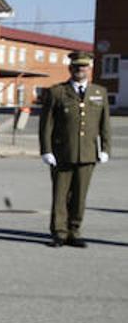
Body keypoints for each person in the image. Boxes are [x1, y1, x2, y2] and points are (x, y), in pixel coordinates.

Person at [39, 51, 112, 247]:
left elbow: (105, 124)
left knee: (80, 196)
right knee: (60, 195)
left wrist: (105, 148)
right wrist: (46, 150)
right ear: (70, 68)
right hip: (62, 152)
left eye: (84, 67)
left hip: (88, 153)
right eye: (77, 67)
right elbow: (46, 125)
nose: (81, 70)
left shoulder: (99, 92)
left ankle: (74, 231)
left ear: (89, 69)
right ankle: (59, 233)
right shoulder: (57, 92)